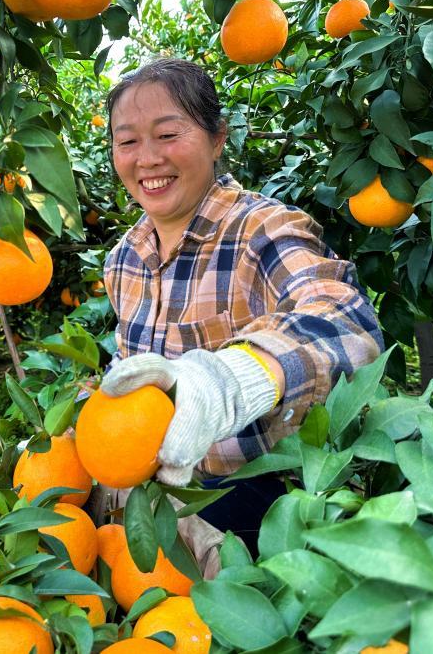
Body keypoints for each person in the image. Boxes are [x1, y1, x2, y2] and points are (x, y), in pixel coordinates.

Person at [96, 58, 384, 557]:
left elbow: (345, 323)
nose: (147, 158)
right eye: (127, 142)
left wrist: (233, 379)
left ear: (217, 138)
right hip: (159, 499)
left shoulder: (263, 231)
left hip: (262, 504)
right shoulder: (124, 258)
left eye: (167, 134)